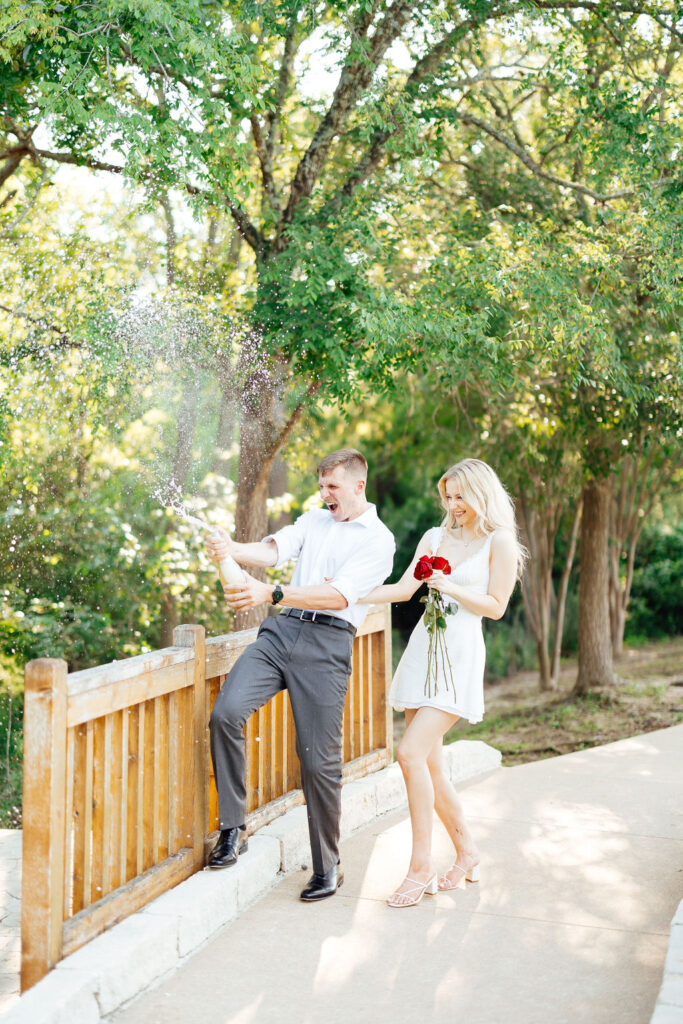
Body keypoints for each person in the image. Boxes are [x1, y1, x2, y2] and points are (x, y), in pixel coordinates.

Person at [205, 449, 395, 901]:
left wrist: (272, 592)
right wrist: (231, 549)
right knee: (226, 713)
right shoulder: (313, 521)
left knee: (318, 762)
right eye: (321, 485)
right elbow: (275, 550)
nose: (324, 493)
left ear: (357, 486)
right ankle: (233, 828)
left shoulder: (378, 540)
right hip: (281, 633)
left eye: (332, 486)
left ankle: (328, 865)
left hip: (328, 645)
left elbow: (337, 596)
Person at [359, 458, 525, 908]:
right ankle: (467, 852)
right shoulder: (435, 538)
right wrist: (345, 592)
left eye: (461, 497)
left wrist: (449, 586)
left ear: (480, 494)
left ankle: (419, 868)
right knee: (431, 767)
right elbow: (401, 590)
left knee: (409, 753)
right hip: (423, 656)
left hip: (459, 659)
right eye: (448, 496)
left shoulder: (500, 542)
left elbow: (495, 606)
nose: (453, 505)